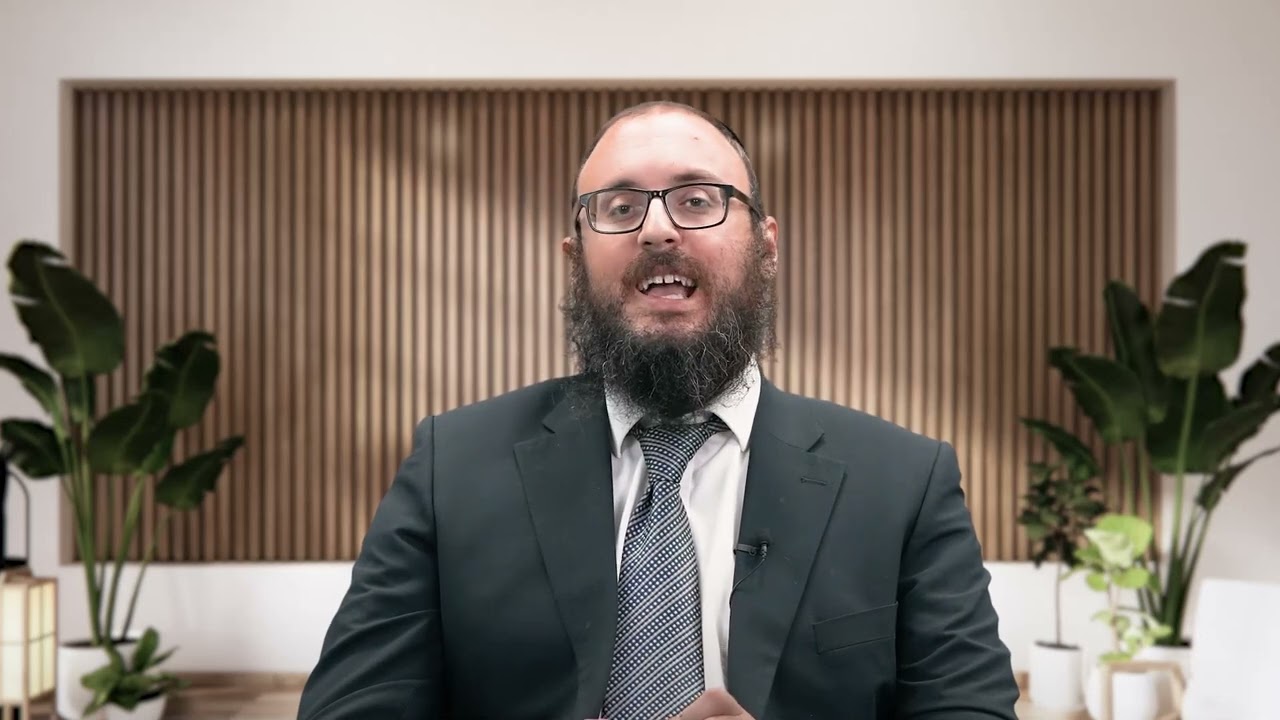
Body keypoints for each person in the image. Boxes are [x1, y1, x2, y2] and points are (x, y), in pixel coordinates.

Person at [297, 100, 1019, 720]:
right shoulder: (450, 466)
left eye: (697, 200)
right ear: (575, 258)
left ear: (766, 247)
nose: (657, 229)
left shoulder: (904, 482)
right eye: (619, 208)